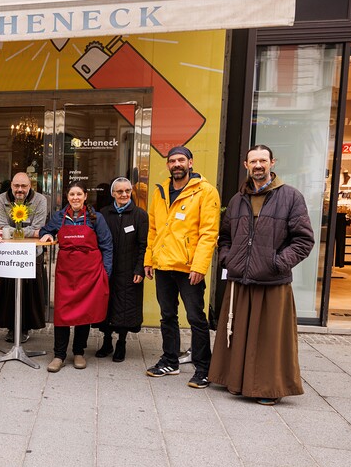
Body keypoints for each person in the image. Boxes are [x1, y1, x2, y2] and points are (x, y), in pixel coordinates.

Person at [209, 145, 314, 405]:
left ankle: (268, 389)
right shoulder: (237, 199)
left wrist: (277, 263)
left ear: (272, 163)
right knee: (238, 333)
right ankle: (235, 382)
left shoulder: (291, 197)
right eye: (253, 161)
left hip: (272, 282)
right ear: (246, 165)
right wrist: (228, 259)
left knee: (269, 339)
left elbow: (303, 240)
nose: (258, 165)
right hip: (240, 279)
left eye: (263, 161)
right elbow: (225, 237)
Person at [144, 146, 220, 389]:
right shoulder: (160, 192)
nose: (177, 164)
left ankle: (203, 368)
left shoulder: (205, 192)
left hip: (190, 269)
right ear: (168, 165)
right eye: (172, 161)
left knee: (196, 318)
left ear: (190, 162)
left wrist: (200, 265)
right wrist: (149, 259)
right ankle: (170, 360)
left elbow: (209, 233)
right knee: (168, 316)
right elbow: (153, 229)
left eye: (181, 160)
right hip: (164, 265)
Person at [39, 181, 113, 372]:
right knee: (62, 314)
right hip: (66, 273)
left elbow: (106, 245)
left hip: (90, 272)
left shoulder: (96, 218)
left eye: (79, 194)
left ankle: (79, 352)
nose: (75, 198)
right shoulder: (59, 217)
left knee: (84, 313)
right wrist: (46, 234)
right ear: (67, 197)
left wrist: (105, 272)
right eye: (72, 194)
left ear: (85, 196)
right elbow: (45, 230)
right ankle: (59, 355)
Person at [96, 177, 149, 362]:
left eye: (127, 191)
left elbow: (144, 245)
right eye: (120, 191)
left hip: (130, 270)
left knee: (126, 307)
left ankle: (122, 343)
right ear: (113, 194)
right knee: (107, 306)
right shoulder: (103, 214)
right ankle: (107, 341)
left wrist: (139, 269)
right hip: (108, 270)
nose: (124, 194)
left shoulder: (140, 215)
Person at [0, 172, 48, 342]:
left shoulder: (40, 200)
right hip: (9, 254)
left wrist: (15, 231)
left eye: (24, 186)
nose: (20, 190)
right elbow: (1, 227)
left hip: (32, 253)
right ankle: (11, 328)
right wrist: (30, 232)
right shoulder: (1, 200)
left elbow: (40, 226)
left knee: (30, 292)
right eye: (16, 186)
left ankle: (26, 328)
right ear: (11, 185)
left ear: (29, 186)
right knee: (8, 292)